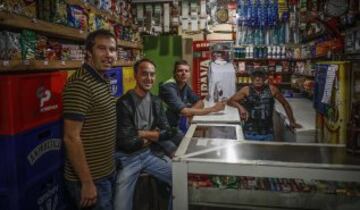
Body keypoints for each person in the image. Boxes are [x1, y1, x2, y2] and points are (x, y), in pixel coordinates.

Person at [62, 29, 117, 209]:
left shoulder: (101, 79)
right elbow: (71, 137)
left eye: (112, 49)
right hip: (91, 179)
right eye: (102, 49)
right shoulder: (81, 83)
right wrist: (86, 182)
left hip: (105, 171)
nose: (109, 55)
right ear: (88, 53)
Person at [114, 58, 177, 210]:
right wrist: (154, 135)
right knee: (120, 206)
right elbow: (127, 143)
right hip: (129, 158)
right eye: (144, 74)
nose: (149, 78)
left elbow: (168, 132)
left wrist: (141, 133)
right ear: (135, 75)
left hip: (150, 154)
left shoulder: (156, 101)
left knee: (180, 179)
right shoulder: (124, 103)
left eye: (152, 74)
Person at [228, 69, 301, 141]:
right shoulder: (246, 90)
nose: (257, 79)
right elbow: (230, 101)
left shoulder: (272, 89)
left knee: (267, 152)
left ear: (265, 78)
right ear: (251, 79)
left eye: (260, 76)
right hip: (250, 132)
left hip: (268, 132)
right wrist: (241, 108)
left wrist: (292, 122)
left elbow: (285, 104)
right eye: (255, 76)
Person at [159, 60, 225, 132]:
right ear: (174, 73)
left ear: (189, 74)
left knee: (209, 129)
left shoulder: (185, 86)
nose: (184, 73)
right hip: (165, 128)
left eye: (186, 71)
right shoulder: (168, 87)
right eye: (180, 71)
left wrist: (187, 116)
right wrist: (213, 109)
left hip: (178, 125)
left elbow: (200, 103)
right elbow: (184, 111)